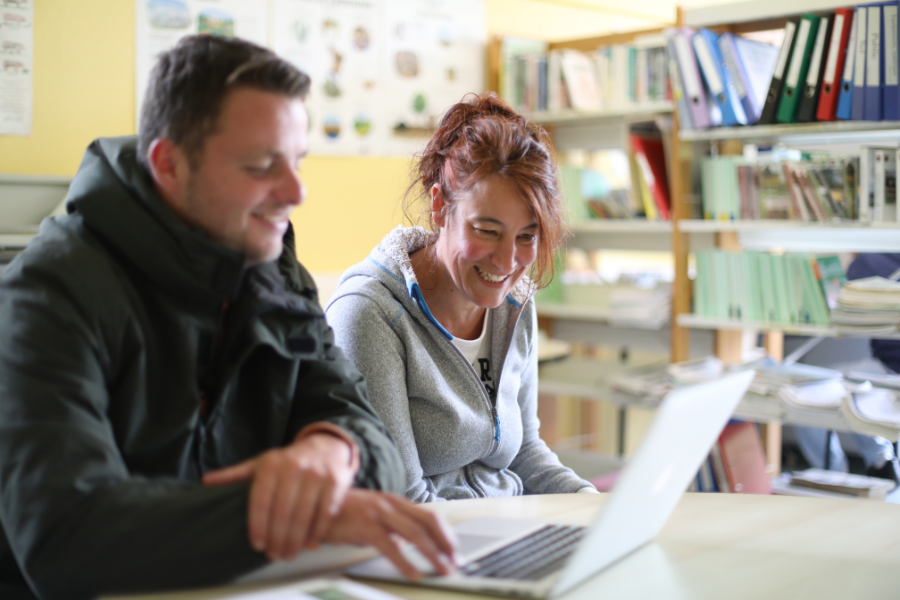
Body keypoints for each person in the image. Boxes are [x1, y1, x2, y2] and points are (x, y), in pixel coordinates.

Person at [0, 35, 455, 600]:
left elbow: (372, 445)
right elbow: (63, 536)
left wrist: (329, 449)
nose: (296, 192)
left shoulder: (270, 265)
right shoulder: (48, 294)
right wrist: (298, 519)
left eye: (297, 162)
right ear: (168, 163)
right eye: (263, 166)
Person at [325, 93, 596, 502]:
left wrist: (592, 505)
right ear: (439, 206)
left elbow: (522, 452)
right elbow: (402, 502)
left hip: (505, 536)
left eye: (527, 236)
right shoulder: (369, 315)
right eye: (486, 230)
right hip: (431, 551)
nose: (507, 262)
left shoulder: (516, 302)